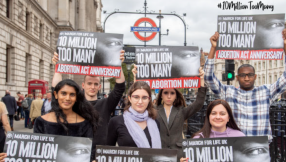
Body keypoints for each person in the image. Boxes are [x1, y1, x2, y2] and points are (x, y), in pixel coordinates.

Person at [204, 29, 286, 140]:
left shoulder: (266, 91)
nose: (246, 78)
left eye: (250, 75)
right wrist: (213, 48)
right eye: (242, 75)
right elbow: (209, 78)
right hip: (236, 146)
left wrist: (285, 47)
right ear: (237, 78)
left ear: (255, 76)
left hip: (259, 148)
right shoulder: (228, 92)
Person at [52, 50, 126, 146]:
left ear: (99, 87)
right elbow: (57, 90)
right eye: (89, 83)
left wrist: (118, 65)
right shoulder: (75, 103)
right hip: (78, 150)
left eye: (96, 84)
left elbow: (119, 88)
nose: (92, 87)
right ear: (83, 85)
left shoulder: (106, 104)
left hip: (99, 151)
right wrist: (58, 68)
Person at [34, 79, 99, 162]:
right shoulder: (41, 121)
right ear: (56, 95)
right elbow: (36, 152)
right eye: (63, 93)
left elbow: (89, 154)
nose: (67, 98)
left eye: (72, 94)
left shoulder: (85, 124)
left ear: (76, 98)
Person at [155, 67, 206, 160]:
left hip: (178, 154)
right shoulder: (154, 110)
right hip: (160, 153)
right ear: (161, 95)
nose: (169, 96)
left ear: (176, 96)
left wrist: (201, 79)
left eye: (172, 93)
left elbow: (198, 102)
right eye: (166, 92)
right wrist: (136, 79)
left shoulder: (181, 111)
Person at [107, 81, 161, 148]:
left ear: (149, 99)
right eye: (136, 97)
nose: (140, 101)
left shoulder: (155, 123)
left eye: (144, 98)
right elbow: (107, 151)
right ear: (129, 98)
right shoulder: (116, 122)